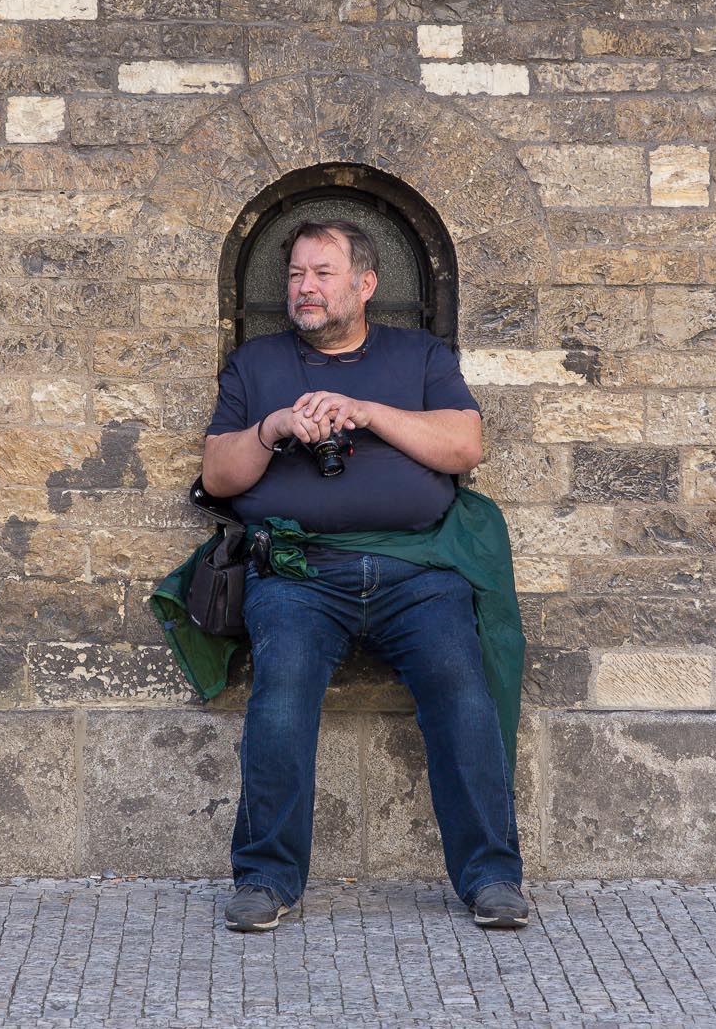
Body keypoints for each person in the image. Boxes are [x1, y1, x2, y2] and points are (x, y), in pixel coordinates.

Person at [200, 221, 528, 932]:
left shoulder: (419, 355)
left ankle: (492, 876)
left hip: (419, 568)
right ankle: (266, 877)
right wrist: (274, 428)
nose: (305, 287)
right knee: (282, 688)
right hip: (298, 571)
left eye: (321, 272)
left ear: (365, 284)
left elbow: (464, 443)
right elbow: (217, 474)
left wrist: (368, 413)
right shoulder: (256, 366)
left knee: (460, 685)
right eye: (294, 274)